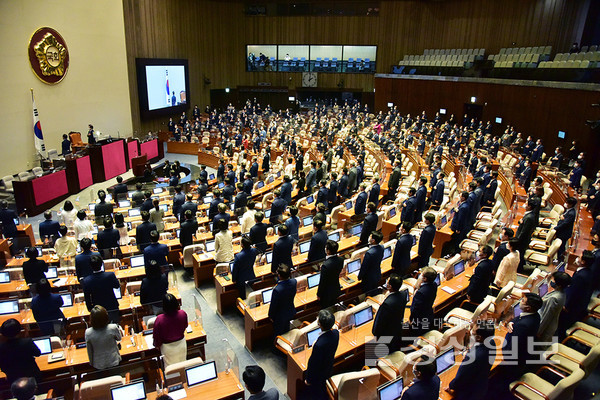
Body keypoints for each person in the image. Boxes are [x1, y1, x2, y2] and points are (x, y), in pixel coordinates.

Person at [444, 322, 496, 400]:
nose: (470, 331)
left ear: (479, 337)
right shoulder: (492, 343)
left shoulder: (472, 357)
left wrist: (451, 386)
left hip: (468, 393)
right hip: (481, 387)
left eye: (473, 331)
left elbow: (460, 378)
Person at [305, 310, 339, 400]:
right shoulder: (336, 333)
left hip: (319, 375)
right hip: (329, 366)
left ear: (319, 325)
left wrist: (308, 379)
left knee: (318, 392)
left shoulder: (319, 345)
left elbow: (313, 364)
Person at [503, 293, 542, 367]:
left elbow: (512, 349)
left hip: (512, 360)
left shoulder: (523, 326)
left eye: (523, 301)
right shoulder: (536, 316)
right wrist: (512, 322)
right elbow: (520, 318)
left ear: (528, 308)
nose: (520, 301)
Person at [372, 274, 408, 352]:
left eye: (387, 282)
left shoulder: (387, 304)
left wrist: (375, 334)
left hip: (387, 333)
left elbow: (380, 321)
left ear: (390, 287)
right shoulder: (403, 294)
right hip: (397, 328)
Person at [0, 319, 41, 384]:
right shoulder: (27, 342)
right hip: (32, 376)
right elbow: (38, 353)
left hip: (13, 380)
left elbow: (2, 366)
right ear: (19, 330)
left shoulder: (1, 348)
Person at [82, 255, 121, 323]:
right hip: (112, 307)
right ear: (102, 264)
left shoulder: (86, 281)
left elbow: (87, 298)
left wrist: (91, 309)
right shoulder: (110, 275)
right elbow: (117, 286)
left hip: (97, 310)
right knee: (114, 327)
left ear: (90, 266)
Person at [153, 293, 188, 367]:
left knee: (171, 369)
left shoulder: (159, 319)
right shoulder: (183, 314)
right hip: (181, 344)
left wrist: (157, 345)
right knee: (183, 365)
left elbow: (157, 337)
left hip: (167, 348)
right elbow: (185, 326)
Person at [85, 305, 122, 370]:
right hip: (113, 361)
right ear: (106, 316)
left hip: (98, 365)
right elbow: (119, 338)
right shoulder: (113, 327)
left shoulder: (88, 333)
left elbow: (89, 351)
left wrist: (91, 363)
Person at [537, 271, 571, 342]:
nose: (551, 281)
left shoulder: (554, 298)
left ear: (559, 285)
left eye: (553, 280)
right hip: (552, 324)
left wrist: (538, 331)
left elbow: (547, 316)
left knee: (537, 348)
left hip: (546, 328)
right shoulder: (561, 292)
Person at [268, 264, 297, 338]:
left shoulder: (277, 290)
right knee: (286, 330)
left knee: (278, 334)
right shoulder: (294, 282)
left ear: (279, 275)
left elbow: (274, 305)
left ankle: (277, 348)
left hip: (279, 316)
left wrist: (270, 316)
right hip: (290, 311)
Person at [410, 267, 438, 335]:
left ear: (425, 279)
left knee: (416, 334)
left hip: (419, 320)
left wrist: (411, 320)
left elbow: (415, 309)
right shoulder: (434, 285)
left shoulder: (420, 293)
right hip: (428, 314)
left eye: (421, 275)